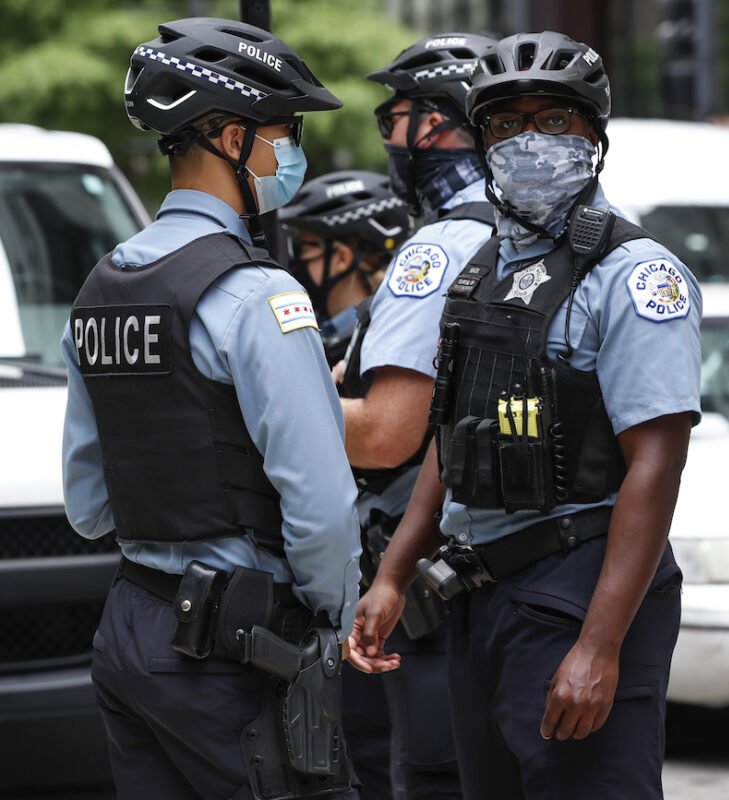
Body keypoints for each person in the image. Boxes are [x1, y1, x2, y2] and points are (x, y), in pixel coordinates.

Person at [350, 31, 702, 800]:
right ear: (481, 144)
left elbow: (656, 463)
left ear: (594, 138)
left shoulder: (637, 276)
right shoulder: (483, 269)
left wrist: (600, 647)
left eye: (554, 121)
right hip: (480, 597)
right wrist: (393, 573)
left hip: (579, 584)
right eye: (507, 125)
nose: (530, 142)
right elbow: (454, 430)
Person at [61, 18, 361, 800]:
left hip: (131, 633)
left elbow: (90, 508)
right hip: (236, 650)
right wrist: (333, 618)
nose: (290, 151)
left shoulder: (100, 290)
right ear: (233, 137)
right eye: (283, 132)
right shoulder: (257, 295)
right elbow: (323, 509)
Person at [338, 32, 499, 799]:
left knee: (430, 776)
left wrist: (258, 410)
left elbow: (384, 431)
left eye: (393, 117)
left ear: (435, 125)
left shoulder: (437, 247)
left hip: (438, 574)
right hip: (547, 577)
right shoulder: (561, 229)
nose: (391, 138)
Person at [279, 170, 410, 800]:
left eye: (306, 247)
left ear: (347, 251)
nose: (296, 262)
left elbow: (384, 437)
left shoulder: (384, 331)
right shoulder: (336, 335)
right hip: (345, 595)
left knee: (385, 760)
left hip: (388, 594)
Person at [279, 170, 409, 366]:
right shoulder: (323, 331)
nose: (296, 258)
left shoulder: (377, 346)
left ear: (342, 258)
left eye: (303, 247)